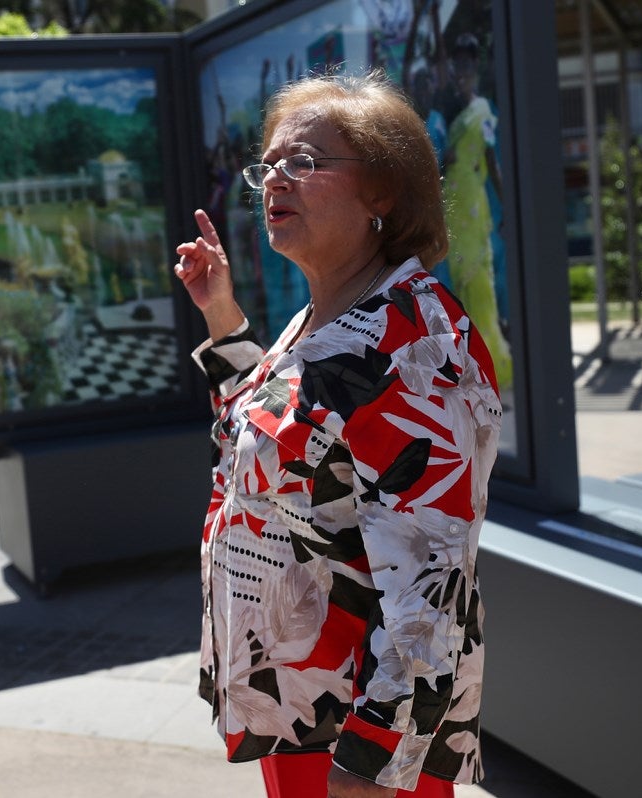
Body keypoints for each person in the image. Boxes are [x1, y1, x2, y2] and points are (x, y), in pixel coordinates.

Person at [174, 71, 502, 798]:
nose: (273, 182)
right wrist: (225, 322)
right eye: (269, 166)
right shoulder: (329, 315)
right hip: (296, 700)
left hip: (354, 730)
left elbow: (431, 587)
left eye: (305, 162)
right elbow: (271, 446)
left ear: (383, 190)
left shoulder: (415, 345)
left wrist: (372, 764)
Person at [442, 34, 512, 390]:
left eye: (467, 63)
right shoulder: (456, 111)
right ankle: (473, 369)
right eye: (458, 64)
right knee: (462, 287)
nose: (461, 70)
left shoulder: (483, 111)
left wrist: (508, 205)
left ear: (476, 67)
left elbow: (492, 162)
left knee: (479, 285)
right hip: (453, 207)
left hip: (471, 205)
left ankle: (492, 368)